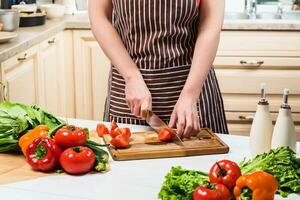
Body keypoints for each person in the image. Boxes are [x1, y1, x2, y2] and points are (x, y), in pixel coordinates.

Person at [88, 0, 228, 138]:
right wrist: (131, 77)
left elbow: (210, 26)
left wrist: (190, 95)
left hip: (193, 86)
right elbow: (98, 17)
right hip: (129, 89)